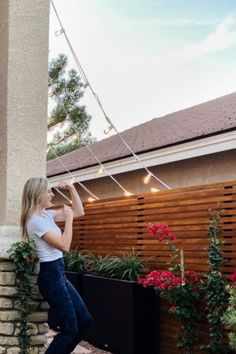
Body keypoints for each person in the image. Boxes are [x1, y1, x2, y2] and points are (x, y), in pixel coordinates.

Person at [20, 177, 92, 354]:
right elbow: (64, 246)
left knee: (85, 321)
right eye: (48, 191)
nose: (52, 194)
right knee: (70, 330)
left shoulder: (46, 215)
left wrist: (71, 188)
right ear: (37, 194)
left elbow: (79, 212)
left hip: (59, 274)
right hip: (50, 277)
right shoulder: (34, 221)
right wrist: (68, 221)